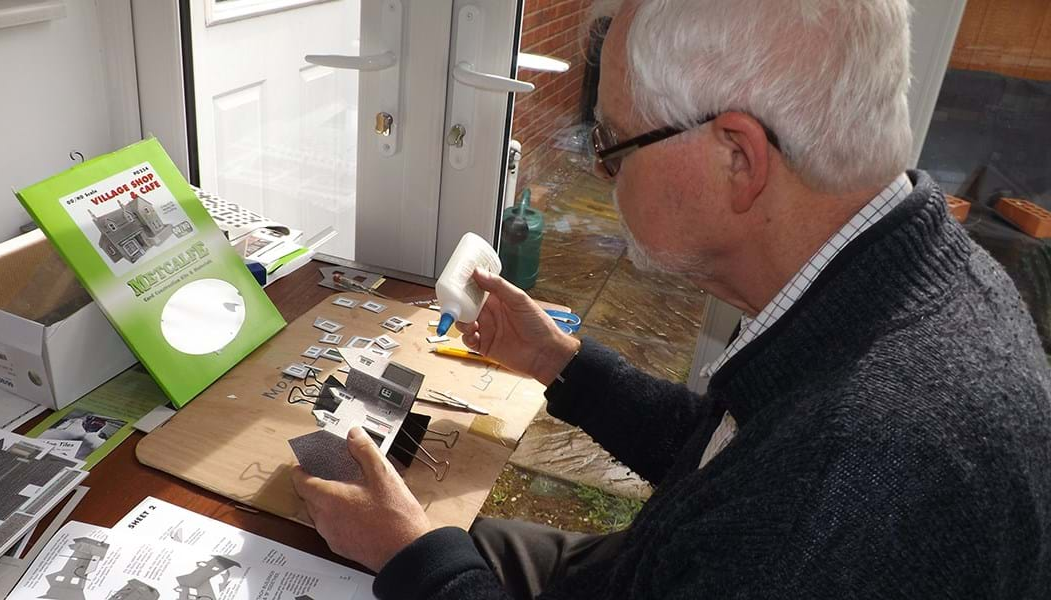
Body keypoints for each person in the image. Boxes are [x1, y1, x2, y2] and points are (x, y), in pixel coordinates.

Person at [291, 0, 1051, 597]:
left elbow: (782, 495)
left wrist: (410, 558)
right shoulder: (893, 277)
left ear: (737, 157)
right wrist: (560, 362)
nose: (602, 172)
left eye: (613, 143)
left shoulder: (854, 485)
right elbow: (731, 461)